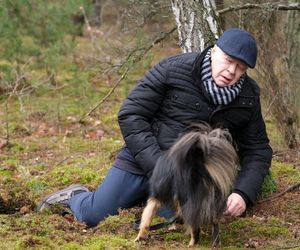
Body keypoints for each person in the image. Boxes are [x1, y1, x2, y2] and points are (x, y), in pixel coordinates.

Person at [38, 28, 273, 227]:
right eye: (229, 61)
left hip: (190, 179)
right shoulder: (174, 69)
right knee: (93, 216)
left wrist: (243, 192)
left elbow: (258, 149)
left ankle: (146, 200)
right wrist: (159, 166)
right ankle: (75, 196)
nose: (232, 71)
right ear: (213, 51)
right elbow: (131, 114)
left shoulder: (248, 96)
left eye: (241, 67)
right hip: (142, 162)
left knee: (170, 225)